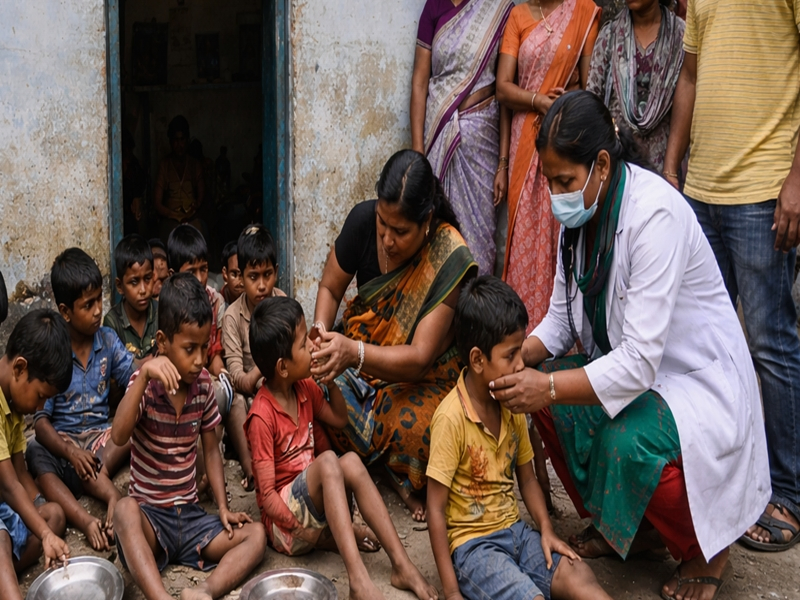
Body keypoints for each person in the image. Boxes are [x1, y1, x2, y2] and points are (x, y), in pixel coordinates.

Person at [491, 91, 770, 600]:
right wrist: (516, 361)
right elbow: (558, 319)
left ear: (601, 164)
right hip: (640, 373)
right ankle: (635, 532)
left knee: (621, 442)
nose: (555, 196)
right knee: (553, 410)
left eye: (564, 182)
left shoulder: (653, 215)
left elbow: (640, 362)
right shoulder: (578, 220)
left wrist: (546, 385)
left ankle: (706, 551)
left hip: (696, 381)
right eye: (549, 181)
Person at [664, 0, 800, 554]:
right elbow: (690, 75)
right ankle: (730, 484)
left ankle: (789, 492)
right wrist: (673, 167)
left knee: (770, 346)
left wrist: (796, 179)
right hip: (702, 190)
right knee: (705, 345)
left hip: (764, 186)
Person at [311, 150, 477, 521]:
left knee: (429, 430)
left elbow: (419, 358)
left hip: (420, 379)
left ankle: (375, 459)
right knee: (311, 389)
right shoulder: (361, 221)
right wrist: (322, 337)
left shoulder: (448, 255)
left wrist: (353, 352)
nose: (386, 239)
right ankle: (381, 463)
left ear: (427, 221)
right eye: (382, 224)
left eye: (400, 231)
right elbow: (330, 289)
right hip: (356, 364)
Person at [427, 276, 611, 600]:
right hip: (475, 548)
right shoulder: (451, 418)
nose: (521, 363)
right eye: (510, 355)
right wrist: (451, 590)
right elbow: (435, 508)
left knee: (576, 572)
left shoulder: (512, 404)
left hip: (516, 533)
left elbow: (526, 479)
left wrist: (547, 529)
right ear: (477, 360)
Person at [244, 297, 438, 600]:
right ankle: (358, 580)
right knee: (331, 461)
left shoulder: (305, 389)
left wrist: (330, 382)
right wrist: (312, 535)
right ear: (282, 367)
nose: (312, 347)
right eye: (302, 345)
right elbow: (267, 496)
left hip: (311, 508)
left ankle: (402, 565)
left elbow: (339, 418)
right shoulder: (261, 415)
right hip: (285, 530)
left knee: (346, 460)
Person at [112, 273, 266, 600]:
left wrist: (223, 508)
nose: (199, 360)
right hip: (150, 519)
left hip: (192, 518)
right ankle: (161, 597)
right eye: (188, 348)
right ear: (163, 342)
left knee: (256, 535)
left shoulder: (204, 386)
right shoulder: (146, 384)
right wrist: (142, 378)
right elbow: (119, 434)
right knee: (124, 511)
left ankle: (205, 593)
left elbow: (212, 451)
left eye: (204, 346)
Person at [496, 0, 600, 330]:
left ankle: (564, 333)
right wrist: (538, 101)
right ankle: (521, 332)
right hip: (525, 141)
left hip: (565, 139)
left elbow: (590, 86)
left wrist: (564, 102)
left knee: (561, 232)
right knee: (524, 237)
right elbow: (503, 87)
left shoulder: (584, 11)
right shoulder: (518, 16)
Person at [26, 248, 135, 552]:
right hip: (66, 446)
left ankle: (109, 492)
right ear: (65, 311)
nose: (99, 310)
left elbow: (132, 380)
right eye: (88, 305)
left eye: (99, 300)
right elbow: (41, 421)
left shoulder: (108, 341)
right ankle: (86, 518)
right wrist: (69, 452)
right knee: (36, 449)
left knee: (131, 429)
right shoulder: (55, 352)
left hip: (102, 443)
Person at [410, 0, 515, 275]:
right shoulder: (434, 7)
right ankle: (440, 314)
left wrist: (504, 162)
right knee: (437, 237)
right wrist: (418, 153)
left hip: (482, 140)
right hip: (438, 138)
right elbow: (420, 83)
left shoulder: (499, 9)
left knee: (480, 241)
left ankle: (477, 314)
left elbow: (504, 93)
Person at [0, 310, 72, 600]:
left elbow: (20, 473)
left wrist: (46, 529)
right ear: (20, 368)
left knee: (54, 515)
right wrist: (43, 535)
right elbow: (8, 485)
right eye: (41, 395)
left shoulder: (14, 406)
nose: (40, 405)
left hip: (4, 509)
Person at [586, 0, 685, 174]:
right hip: (618, 164)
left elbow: (686, 103)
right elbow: (593, 101)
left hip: (664, 166)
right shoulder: (610, 36)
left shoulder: (680, 35)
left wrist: (671, 169)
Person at [222, 224, 285, 491]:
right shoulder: (231, 317)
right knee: (235, 403)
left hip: (280, 385)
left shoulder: (283, 305)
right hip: (249, 392)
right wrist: (264, 368)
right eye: (253, 276)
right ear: (240, 278)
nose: (261, 285)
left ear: (276, 273)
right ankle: (251, 471)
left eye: (267, 275)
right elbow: (238, 378)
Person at [167, 225, 232, 418]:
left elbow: (215, 355)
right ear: (173, 274)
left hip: (203, 376)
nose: (199, 279)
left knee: (225, 398)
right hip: (176, 379)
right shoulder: (165, 306)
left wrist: (222, 374)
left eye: (203, 269)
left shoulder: (215, 301)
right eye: (190, 271)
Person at [104, 234, 158, 362]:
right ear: (120, 286)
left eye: (147, 279)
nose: (143, 290)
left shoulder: (160, 312)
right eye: (134, 282)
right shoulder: (113, 323)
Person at [153, 115, 205, 242]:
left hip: (192, 218)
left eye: (182, 140)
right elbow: (157, 203)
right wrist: (172, 214)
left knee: (200, 234)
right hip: (170, 220)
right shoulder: (164, 165)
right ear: (170, 142)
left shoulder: (194, 164)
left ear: (187, 140)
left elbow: (201, 195)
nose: (179, 145)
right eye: (175, 140)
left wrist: (196, 205)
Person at [220, 241, 244, 305]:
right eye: (234, 274)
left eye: (242, 274)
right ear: (225, 274)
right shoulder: (216, 304)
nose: (240, 282)